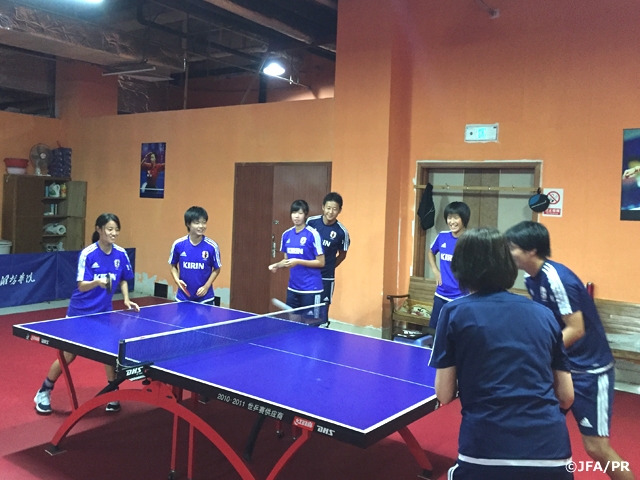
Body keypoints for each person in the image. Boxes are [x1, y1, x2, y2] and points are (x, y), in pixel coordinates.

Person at [430, 227, 574, 480]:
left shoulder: (454, 312)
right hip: (553, 453)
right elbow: (566, 396)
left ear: (460, 267)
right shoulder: (544, 314)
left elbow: (444, 393)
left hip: (485, 450)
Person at [505, 221, 634, 480]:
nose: (508, 252)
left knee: (596, 448)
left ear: (531, 250)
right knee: (536, 432)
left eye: (512, 247)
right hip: (562, 368)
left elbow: (575, 329)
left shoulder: (556, 279)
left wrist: (538, 354)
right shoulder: (532, 279)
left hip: (589, 372)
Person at [34, 213, 139, 415]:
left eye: (116, 229)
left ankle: (112, 392)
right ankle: (44, 391)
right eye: (109, 229)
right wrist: (98, 282)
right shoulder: (88, 254)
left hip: (103, 313)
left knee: (109, 355)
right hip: (80, 313)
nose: (113, 233)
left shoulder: (121, 254)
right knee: (68, 355)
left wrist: (125, 298)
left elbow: (125, 278)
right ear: (98, 229)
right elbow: (81, 286)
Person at [269, 200, 325, 312]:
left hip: (311, 289)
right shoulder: (286, 235)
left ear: (305, 214)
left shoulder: (313, 234)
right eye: (294, 213)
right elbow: (287, 260)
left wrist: (298, 261)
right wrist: (277, 265)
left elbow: (321, 262)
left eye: (300, 213)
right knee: (292, 322)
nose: (297, 216)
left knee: (310, 324)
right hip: (293, 288)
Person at [306, 192, 350, 325]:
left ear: (339, 211)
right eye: (328, 208)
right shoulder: (311, 222)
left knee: (322, 310)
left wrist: (328, 266)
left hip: (326, 277)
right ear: (323, 207)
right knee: (306, 309)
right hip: (308, 275)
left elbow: (342, 255)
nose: (331, 212)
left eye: (335, 209)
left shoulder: (342, 232)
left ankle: (323, 330)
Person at [427, 201, 470, 330]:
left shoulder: (471, 239)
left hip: (462, 296)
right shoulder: (442, 236)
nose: (452, 221)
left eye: (456, 217)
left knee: (457, 333)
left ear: (464, 219)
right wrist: (435, 271)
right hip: (441, 294)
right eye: (449, 218)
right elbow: (430, 252)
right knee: (435, 331)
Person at [169, 206, 221, 304]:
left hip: (205, 298)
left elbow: (217, 269)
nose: (201, 226)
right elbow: (172, 266)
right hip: (183, 297)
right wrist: (177, 280)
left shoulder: (212, 246)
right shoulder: (178, 244)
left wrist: (206, 287)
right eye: (197, 223)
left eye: (204, 222)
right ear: (188, 224)